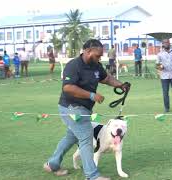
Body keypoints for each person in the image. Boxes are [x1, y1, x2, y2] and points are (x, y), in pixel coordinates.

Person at [43, 39, 130, 180]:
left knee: (71, 137)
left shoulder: (96, 65)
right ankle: (92, 175)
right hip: (71, 108)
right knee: (86, 138)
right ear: (88, 51)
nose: (99, 58)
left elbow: (106, 78)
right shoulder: (73, 65)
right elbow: (68, 87)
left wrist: (120, 85)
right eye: (97, 55)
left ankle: (52, 164)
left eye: (101, 56)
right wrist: (91, 95)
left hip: (84, 109)